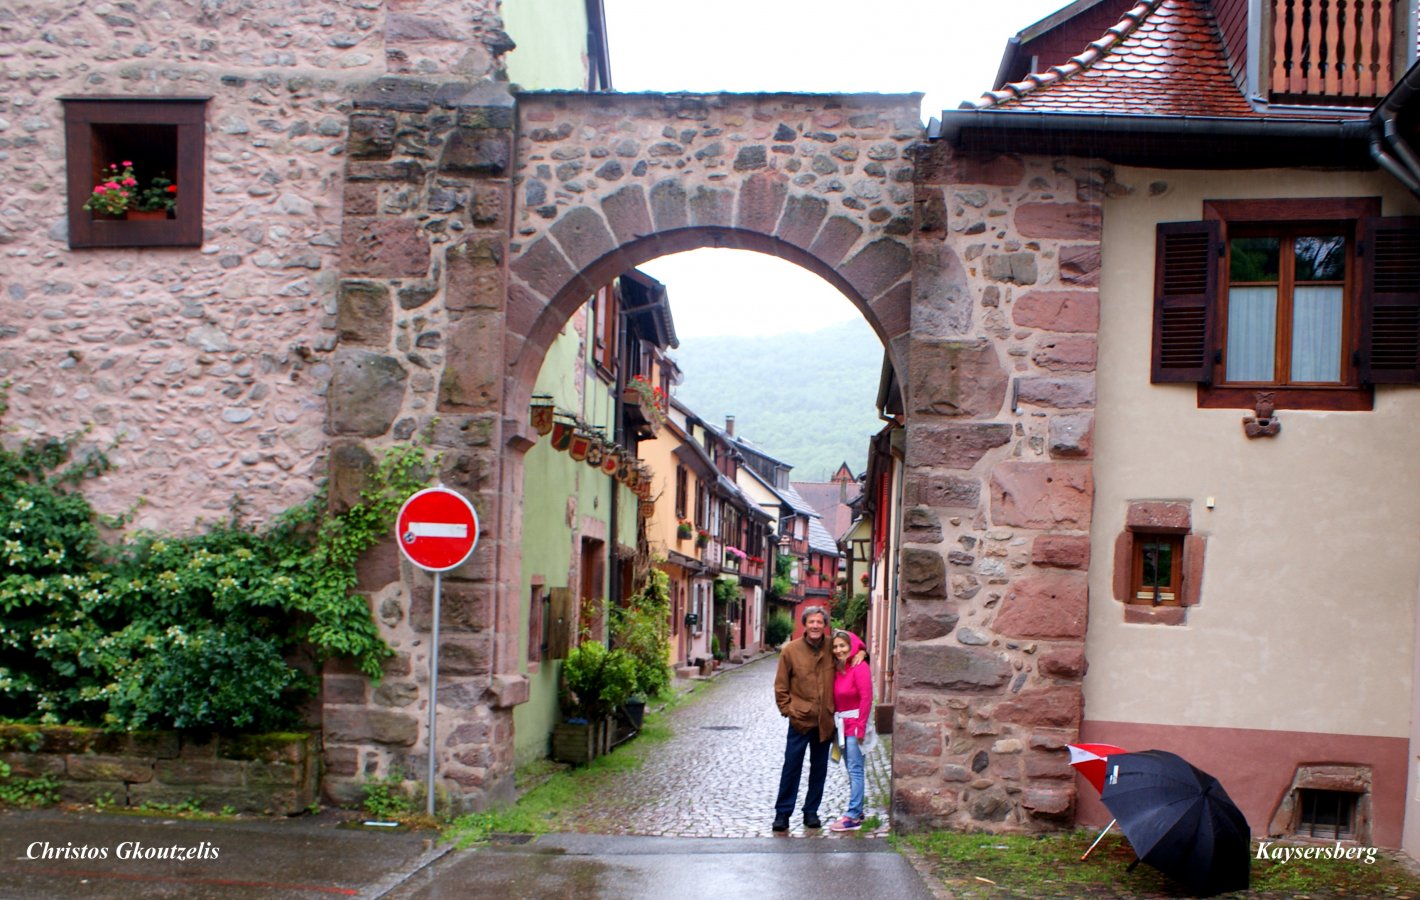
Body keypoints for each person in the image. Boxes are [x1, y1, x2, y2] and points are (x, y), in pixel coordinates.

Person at [772, 605, 835, 832]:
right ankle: (782, 813)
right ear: (804, 625)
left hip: (824, 720)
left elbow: (855, 646)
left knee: (819, 769)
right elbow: (781, 686)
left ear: (825, 625)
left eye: (819, 622)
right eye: (811, 622)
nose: (816, 626)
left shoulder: (832, 646)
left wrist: (860, 653)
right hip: (800, 719)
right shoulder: (790, 650)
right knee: (792, 766)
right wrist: (788, 710)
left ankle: (811, 811)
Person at [829, 629, 872, 832]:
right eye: (835, 646)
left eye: (843, 646)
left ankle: (853, 816)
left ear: (852, 646)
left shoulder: (859, 666)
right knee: (850, 769)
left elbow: (866, 698)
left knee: (855, 771)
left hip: (854, 727)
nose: (839, 650)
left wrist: (861, 729)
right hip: (841, 727)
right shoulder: (839, 668)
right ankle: (859, 809)